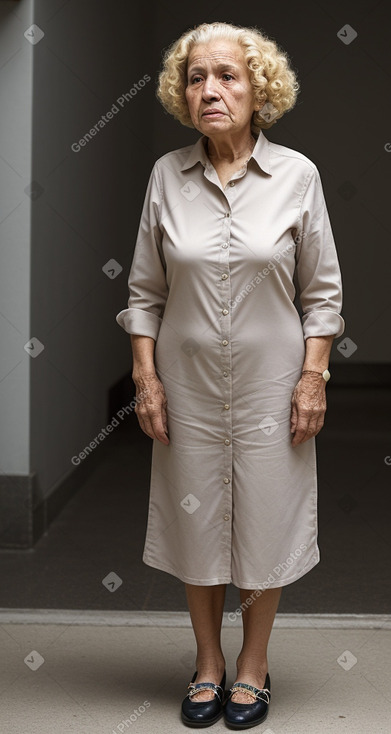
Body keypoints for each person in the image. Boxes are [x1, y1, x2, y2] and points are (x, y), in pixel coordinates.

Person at [115, 21, 344, 730]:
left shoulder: (297, 176)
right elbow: (144, 294)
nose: (208, 89)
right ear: (180, 94)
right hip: (184, 389)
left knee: (267, 525)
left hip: (274, 386)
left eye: (226, 75)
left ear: (258, 90)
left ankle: (254, 665)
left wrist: (313, 378)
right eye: (194, 78)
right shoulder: (165, 177)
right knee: (196, 523)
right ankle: (208, 663)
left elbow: (323, 295)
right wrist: (144, 380)